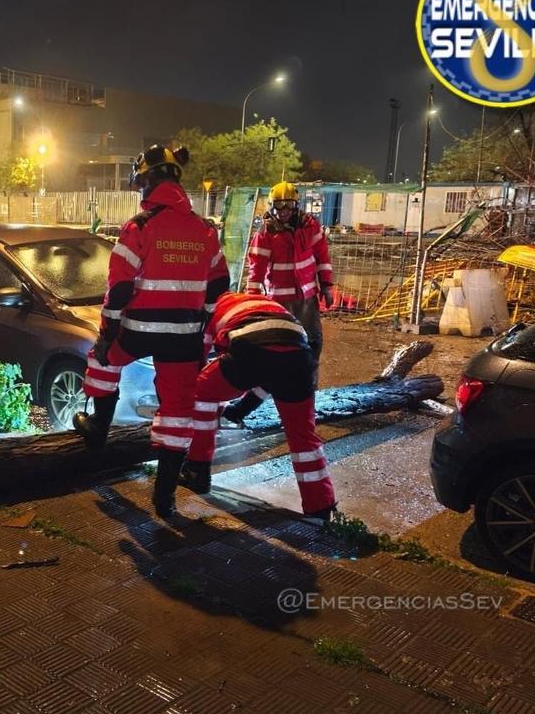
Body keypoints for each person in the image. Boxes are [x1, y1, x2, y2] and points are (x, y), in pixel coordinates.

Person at [72, 144, 228, 518]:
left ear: (148, 181)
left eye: (140, 182)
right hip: (184, 338)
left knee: (102, 360)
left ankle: (98, 427)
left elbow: (119, 289)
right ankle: (165, 497)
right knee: (177, 410)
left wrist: (107, 333)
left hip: (138, 331)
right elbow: (219, 285)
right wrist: (202, 332)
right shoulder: (206, 230)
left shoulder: (139, 227)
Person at [179, 291, 337, 522]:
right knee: (303, 435)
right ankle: (320, 507)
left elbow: (200, 362)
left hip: (251, 349)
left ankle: (197, 470)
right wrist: (242, 409)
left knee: (200, 393)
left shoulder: (209, 311)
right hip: (300, 359)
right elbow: (272, 371)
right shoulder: (260, 304)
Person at [224, 181, 335, 426]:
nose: (283, 210)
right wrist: (252, 300)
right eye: (279, 206)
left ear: (296, 205)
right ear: (271, 206)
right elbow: (256, 269)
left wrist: (327, 285)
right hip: (278, 303)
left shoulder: (310, 227)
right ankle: (247, 406)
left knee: (311, 348)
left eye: (288, 205)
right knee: (277, 354)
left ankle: (307, 401)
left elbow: (322, 257)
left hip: (306, 300)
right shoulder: (266, 233)